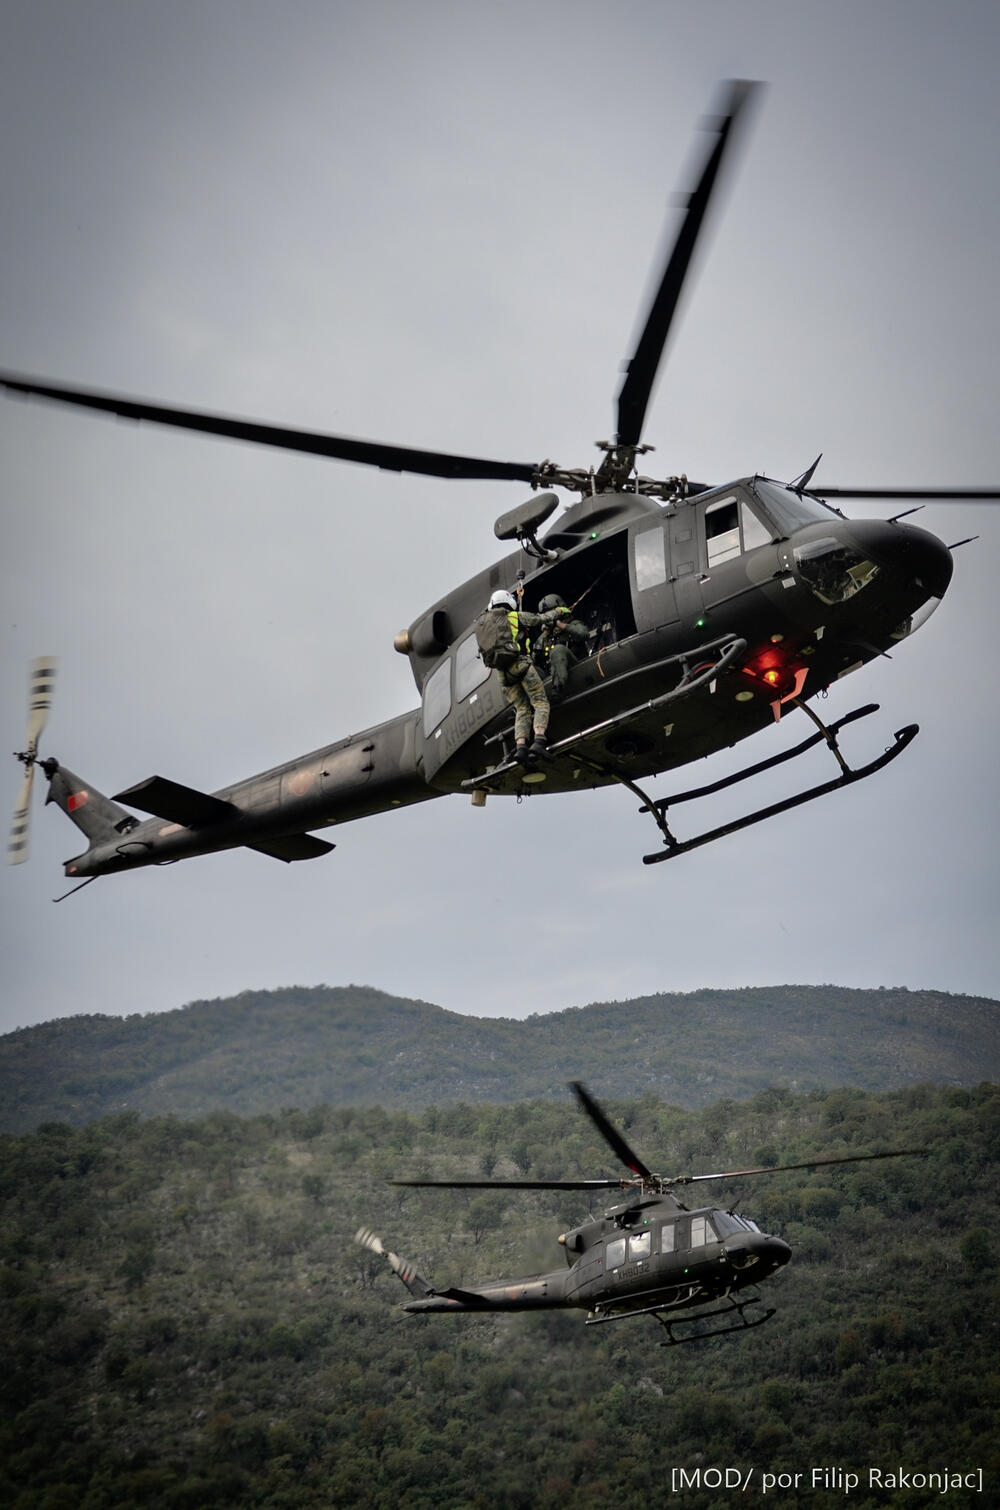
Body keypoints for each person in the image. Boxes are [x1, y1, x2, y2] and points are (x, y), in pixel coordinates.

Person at [476, 589, 570, 763]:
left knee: (522, 709)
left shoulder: (486, 625)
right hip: (520, 665)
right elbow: (541, 619)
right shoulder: (514, 616)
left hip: (503, 675)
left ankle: (521, 748)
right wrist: (559, 611)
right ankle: (539, 741)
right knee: (540, 702)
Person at [532, 593, 590, 701]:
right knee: (525, 666)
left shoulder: (573, 624)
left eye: (550, 613)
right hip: (551, 675)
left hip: (577, 669)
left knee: (558, 649)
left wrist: (562, 625)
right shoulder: (545, 636)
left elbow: (584, 634)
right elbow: (534, 658)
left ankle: (558, 688)